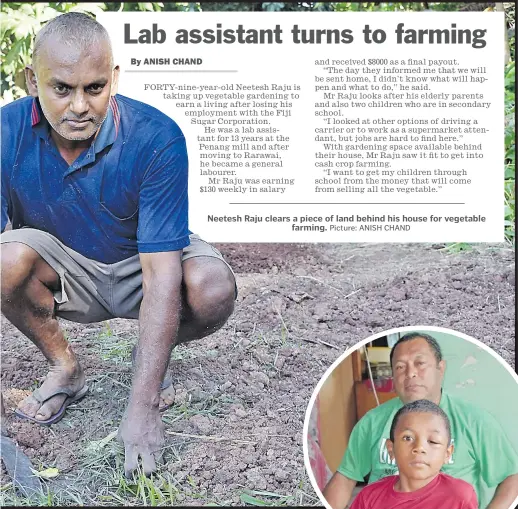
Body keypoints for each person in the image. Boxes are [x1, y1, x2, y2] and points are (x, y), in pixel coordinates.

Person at [0, 12, 236, 477]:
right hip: (65, 269)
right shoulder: (4, 133)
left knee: (212, 287)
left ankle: (151, 354)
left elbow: (162, 271)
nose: (79, 106)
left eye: (94, 88)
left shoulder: (155, 136)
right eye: (61, 88)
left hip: (139, 267)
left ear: (114, 79)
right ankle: (65, 368)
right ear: (32, 81)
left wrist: (142, 410)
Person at [323, 332, 518, 509]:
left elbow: (512, 477)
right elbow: (346, 478)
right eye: (400, 367)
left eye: (420, 363)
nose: (410, 373)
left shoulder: (475, 421)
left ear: (440, 368)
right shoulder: (372, 422)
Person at [350, 399, 478, 509]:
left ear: (447, 453)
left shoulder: (460, 496)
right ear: (391, 449)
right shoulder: (369, 497)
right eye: (407, 438)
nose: (419, 448)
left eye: (432, 441)